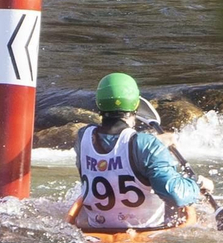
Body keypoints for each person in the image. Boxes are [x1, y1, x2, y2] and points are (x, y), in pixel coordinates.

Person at [71, 72, 212, 234]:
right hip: (147, 230)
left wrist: (155, 143)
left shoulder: (83, 137)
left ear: (98, 104)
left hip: (97, 229)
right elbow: (175, 194)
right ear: (135, 105)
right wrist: (197, 185)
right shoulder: (146, 145)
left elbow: (115, 157)